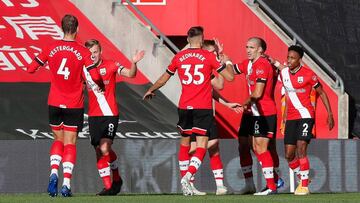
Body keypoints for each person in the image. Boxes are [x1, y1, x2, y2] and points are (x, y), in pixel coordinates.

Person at [143, 26, 234, 196]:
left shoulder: (179, 57)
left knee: (185, 144)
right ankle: (188, 176)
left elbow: (165, 77)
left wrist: (151, 89)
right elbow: (229, 78)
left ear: (187, 40)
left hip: (184, 107)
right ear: (201, 40)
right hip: (202, 107)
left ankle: (188, 184)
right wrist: (225, 60)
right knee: (202, 144)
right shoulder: (208, 56)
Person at [26, 14, 102, 197]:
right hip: (73, 104)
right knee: (70, 143)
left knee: (58, 140)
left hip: (54, 101)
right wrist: (98, 84)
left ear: (62, 28)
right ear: (77, 29)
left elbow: (30, 68)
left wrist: (50, 66)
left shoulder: (51, 47)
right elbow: (96, 76)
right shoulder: (83, 52)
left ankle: (53, 173)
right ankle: (66, 183)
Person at [270, 45, 334, 195]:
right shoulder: (284, 73)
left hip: (306, 115)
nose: (289, 60)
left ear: (300, 60)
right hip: (291, 118)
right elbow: (277, 66)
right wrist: (271, 60)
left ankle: (304, 186)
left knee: (301, 148)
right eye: (288, 57)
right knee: (289, 155)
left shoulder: (308, 75)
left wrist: (329, 113)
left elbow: (322, 93)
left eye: (293, 58)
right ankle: (303, 177)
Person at [84, 39, 145, 195]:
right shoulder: (84, 69)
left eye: (95, 52)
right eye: (90, 53)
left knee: (105, 147)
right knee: (98, 151)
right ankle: (110, 186)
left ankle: (115, 179)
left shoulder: (111, 65)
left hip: (110, 114)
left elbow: (131, 74)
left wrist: (134, 63)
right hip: (93, 115)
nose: (93, 56)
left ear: (100, 52)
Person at [187, 39, 241, 196]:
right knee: (198, 148)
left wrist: (227, 104)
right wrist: (221, 62)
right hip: (200, 113)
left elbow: (212, 91)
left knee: (213, 148)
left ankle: (219, 185)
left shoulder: (201, 65)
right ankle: (189, 180)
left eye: (214, 53)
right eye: (211, 53)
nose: (213, 55)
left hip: (196, 112)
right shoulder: (206, 67)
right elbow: (221, 84)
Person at [233, 37, 280, 195]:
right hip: (250, 112)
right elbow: (230, 72)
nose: (248, 50)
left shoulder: (262, 64)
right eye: (246, 46)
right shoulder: (248, 63)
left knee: (261, 148)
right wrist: (221, 60)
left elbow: (258, 93)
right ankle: (249, 185)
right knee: (243, 146)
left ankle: (272, 186)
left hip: (263, 112)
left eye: (251, 47)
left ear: (261, 50)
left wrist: (244, 103)